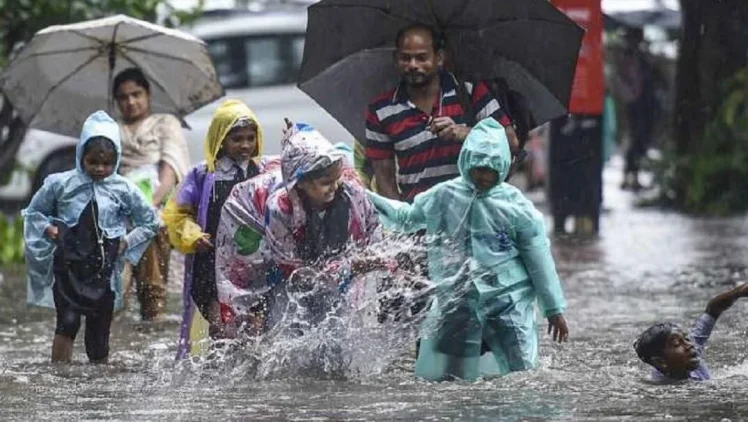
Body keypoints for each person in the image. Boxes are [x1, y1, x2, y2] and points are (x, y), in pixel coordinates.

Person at [369, 118, 568, 382]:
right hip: (458, 302)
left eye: (491, 170)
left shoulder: (517, 208)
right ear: (466, 162)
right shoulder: (444, 195)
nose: (484, 177)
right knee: (446, 379)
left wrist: (554, 309)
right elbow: (406, 217)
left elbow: (539, 259)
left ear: (503, 167)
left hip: (507, 303)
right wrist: (364, 196)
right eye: (478, 169)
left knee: (523, 377)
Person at [24, 111, 159, 363]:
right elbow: (33, 213)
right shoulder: (60, 184)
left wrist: (126, 242)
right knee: (67, 323)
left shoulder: (124, 188)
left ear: (116, 159)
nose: (100, 169)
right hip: (68, 267)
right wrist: (48, 228)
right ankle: (59, 375)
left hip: (103, 269)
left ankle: (98, 387)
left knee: (99, 336)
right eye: (93, 162)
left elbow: (150, 221)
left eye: (107, 163)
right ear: (80, 157)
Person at [365, 23, 519, 202]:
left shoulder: (470, 93)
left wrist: (465, 133)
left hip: (476, 216)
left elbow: (510, 142)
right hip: (420, 221)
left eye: (422, 58)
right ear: (395, 58)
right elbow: (385, 179)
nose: (413, 65)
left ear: (439, 58)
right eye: (405, 58)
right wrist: (401, 219)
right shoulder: (380, 110)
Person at [257, 121, 385, 331]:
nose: (334, 187)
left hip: (341, 273)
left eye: (337, 179)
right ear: (300, 182)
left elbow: (372, 230)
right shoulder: (280, 210)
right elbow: (293, 272)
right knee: (287, 330)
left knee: (341, 331)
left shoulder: (352, 195)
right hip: (287, 277)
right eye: (326, 183)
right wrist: (347, 267)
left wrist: (370, 260)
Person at [162, 99, 264, 358]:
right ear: (220, 139)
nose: (245, 145)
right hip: (211, 263)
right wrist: (192, 235)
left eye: (250, 138)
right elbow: (177, 214)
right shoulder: (203, 176)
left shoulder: (262, 173)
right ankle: (217, 377)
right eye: (237, 139)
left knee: (254, 328)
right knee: (221, 327)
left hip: (252, 264)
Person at [113, 67, 190, 321]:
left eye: (136, 94)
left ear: (148, 94)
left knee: (149, 230)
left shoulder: (165, 123)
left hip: (156, 205)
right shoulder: (111, 130)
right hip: (117, 208)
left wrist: (148, 205)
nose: (131, 102)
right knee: (114, 291)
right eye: (123, 97)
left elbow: (171, 169)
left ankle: (153, 312)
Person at [634, 277, 748, 383]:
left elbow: (713, 309)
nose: (690, 344)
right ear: (660, 361)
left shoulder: (690, 353)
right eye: (677, 344)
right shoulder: (660, 392)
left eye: (686, 338)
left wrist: (740, 291)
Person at [611, 28, 658, 191]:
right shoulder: (627, 57)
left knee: (640, 139)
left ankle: (634, 175)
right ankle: (628, 175)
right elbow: (620, 80)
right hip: (633, 103)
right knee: (634, 138)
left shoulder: (641, 57)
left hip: (643, 103)